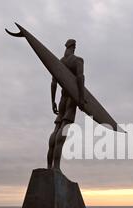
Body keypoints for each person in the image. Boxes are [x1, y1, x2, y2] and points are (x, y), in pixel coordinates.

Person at [47, 39, 85, 170]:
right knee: (62, 132)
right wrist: (81, 98)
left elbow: (53, 83)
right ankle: (56, 168)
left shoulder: (59, 62)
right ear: (74, 47)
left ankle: (48, 166)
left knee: (56, 130)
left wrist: (53, 101)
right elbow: (80, 78)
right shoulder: (78, 61)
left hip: (62, 99)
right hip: (71, 100)